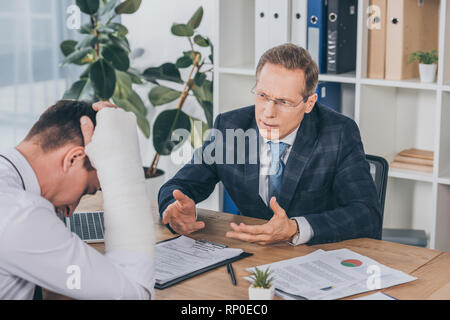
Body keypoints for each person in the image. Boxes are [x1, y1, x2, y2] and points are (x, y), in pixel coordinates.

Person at [158, 43, 382, 246]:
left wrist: (295, 228)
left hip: (316, 256)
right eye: (263, 95)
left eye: (284, 102)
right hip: (251, 257)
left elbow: (366, 214)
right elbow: (178, 186)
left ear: (309, 103)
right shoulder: (230, 127)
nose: (268, 113)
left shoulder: (338, 133)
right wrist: (174, 209)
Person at [0, 100, 154, 300]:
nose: (71, 211)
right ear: (73, 159)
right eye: (85, 191)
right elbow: (134, 295)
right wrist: (123, 167)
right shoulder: (20, 215)